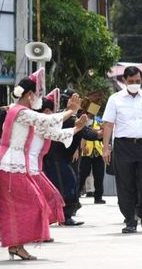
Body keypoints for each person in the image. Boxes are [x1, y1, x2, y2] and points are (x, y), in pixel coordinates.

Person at [0, 73, 82, 260]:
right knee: (34, 204)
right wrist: (70, 111)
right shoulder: (20, 112)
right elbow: (47, 121)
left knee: (26, 206)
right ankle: (15, 245)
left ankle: (16, 246)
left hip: (16, 167)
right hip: (9, 167)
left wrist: (75, 128)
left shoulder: (25, 114)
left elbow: (51, 131)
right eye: (38, 94)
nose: (40, 99)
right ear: (30, 94)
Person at [102, 66, 142, 234]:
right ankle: (130, 220)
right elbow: (108, 124)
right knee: (125, 185)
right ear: (124, 81)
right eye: (131, 82)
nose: (135, 84)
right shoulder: (115, 99)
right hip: (123, 146)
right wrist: (106, 147)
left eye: (138, 81)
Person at [43, 89, 101, 226]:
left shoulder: (65, 116)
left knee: (70, 184)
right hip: (56, 158)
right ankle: (64, 217)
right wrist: (104, 131)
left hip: (63, 158)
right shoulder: (66, 117)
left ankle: (65, 215)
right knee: (67, 186)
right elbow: (89, 134)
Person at [78, 113, 106, 204]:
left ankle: (98, 197)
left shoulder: (99, 119)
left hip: (98, 150)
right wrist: (82, 146)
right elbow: (83, 133)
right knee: (83, 174)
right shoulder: (84, 119)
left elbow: (104, 131)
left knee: (99, 175)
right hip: (87, 151)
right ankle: (76, 194)